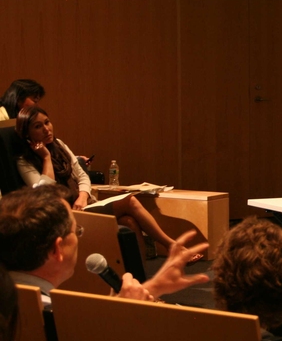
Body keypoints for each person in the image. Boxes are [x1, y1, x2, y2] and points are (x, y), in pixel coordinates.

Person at [15, 105, 201, 263]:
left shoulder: (59, 144)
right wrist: (46, 158)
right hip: (66, 216)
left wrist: (83, 195)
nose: (46, 129)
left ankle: (140, 280)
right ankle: (172, 246)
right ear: (27, 134)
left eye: (47, 122)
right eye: (38, 126)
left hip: (84, 205)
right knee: (130, 202)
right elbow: (45, 194)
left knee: (128, 222)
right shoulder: (24, 161)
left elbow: (82, 175)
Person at [0, 185, 209, 307]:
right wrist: (123, 313)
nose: (79, 237)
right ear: (57, 250)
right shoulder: (58, 320)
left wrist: (154, 287)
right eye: (76, 231)